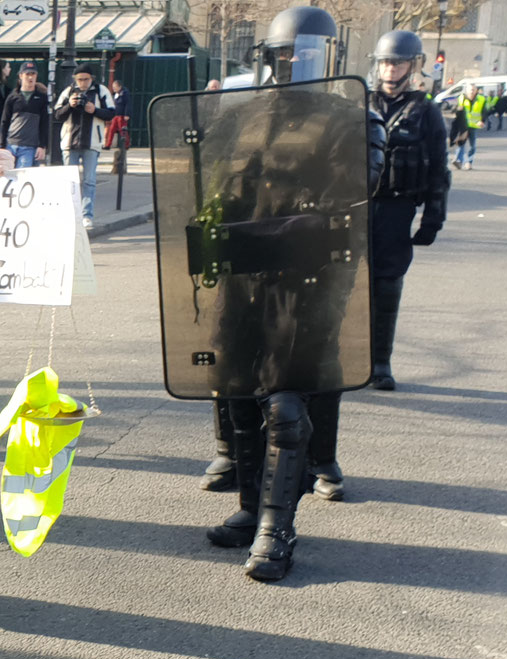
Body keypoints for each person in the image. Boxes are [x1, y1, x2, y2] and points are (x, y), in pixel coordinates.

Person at [188, 6, 381, 579]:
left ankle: (278, 526)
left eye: (306, 56)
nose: (293, 65)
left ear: (329, 58)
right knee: (237, 390)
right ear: (267, 57)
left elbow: (361, 192)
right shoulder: (244, 115)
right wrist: (207, 237)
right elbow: (216, 183)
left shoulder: (353, 117)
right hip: (245, 274)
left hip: (308, 278)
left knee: (286, 401)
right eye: (283, 55)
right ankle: (250, 506)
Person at [365, 29, 450, 392]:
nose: (390, 70)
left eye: (397, 63)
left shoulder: (426, 111)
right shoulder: (358, 103)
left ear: (413, 66)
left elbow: (438, 169)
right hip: (355, 205)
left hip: (397, 207)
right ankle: (345, 360)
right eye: (385, 62)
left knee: (386, 285)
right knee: (345, 285)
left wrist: (433, 217)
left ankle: (380, 361)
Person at [52, 66, 116, 229]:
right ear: (75, 79)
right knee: (70, 182)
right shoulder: (68, 91)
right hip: (69, 142)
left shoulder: (101, 91)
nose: (83, 83)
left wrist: (94, 110)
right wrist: (70, 105)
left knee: (89, 181)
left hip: (92, 142)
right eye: (79, 79)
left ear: (91, 78)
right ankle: (71, 214)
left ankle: (87, 215)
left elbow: (111, 113)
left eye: (86, 79)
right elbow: (57, 114)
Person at [0, 63, 48, 167]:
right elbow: (4, 121)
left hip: (29, 146)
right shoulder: (12, 97)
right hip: (10, 144)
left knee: (22, 176)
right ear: (21, 76)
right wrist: (1, 145)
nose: (30, 77)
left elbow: (44, 123)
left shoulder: (42, 98)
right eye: (27, 74)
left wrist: (42, 146)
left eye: (33, 74)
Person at [453, 84, 485, 168]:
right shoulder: (461, 98)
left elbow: (484, 112)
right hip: (464, 125)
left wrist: (482, 121)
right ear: (466, 90)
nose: (472, 91)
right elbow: (458, 110)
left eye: (473, 89)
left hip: (474, 126)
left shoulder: (481, 99)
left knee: (472, 146)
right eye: (470, 89)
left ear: (476, 90)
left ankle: (469, 162)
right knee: (461, 143)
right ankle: (459, 161)